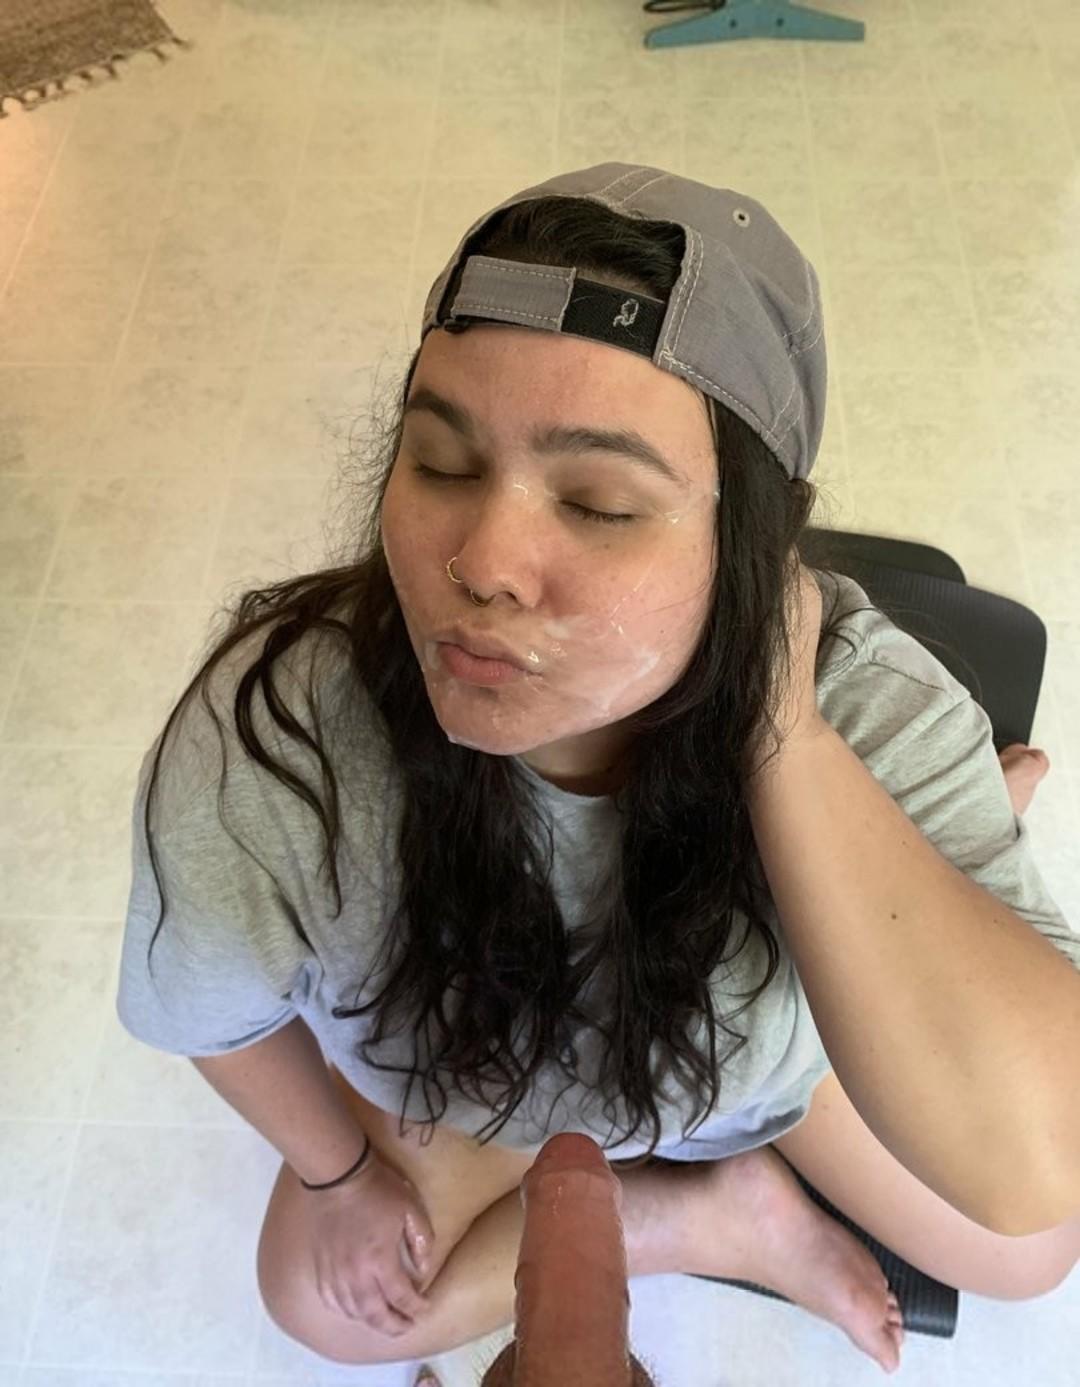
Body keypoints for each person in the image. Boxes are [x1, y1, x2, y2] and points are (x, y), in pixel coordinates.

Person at [116, 164, 1068, 1386]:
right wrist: (341, 1178)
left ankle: (905, 896)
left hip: (756, 1071)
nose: (483, 562)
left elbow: (1036, 1155)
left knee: (1028, 1247)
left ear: (752, 543)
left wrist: (787, 738)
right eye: (442, 463)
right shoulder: (284, 732)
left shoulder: (867, 706)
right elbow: (217, 1016)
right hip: (483, 1080)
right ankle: (711, 1217)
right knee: (319, 1296)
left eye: (602, 503)